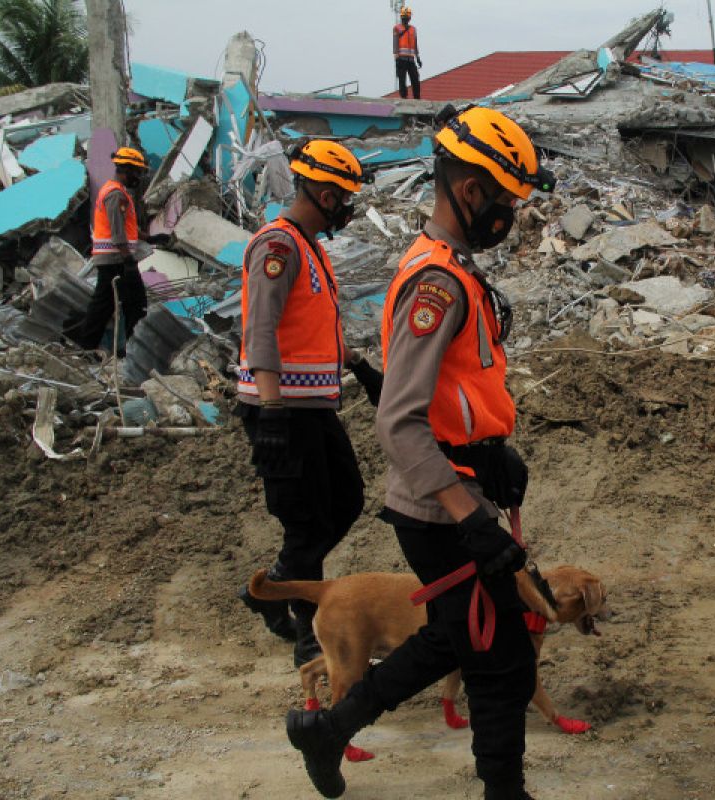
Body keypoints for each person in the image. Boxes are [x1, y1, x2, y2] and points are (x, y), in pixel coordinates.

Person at [284, 105, 556, 800]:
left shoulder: (455, 271)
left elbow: (452, 396)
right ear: (471, 192)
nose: (510, 216)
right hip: (439, 509)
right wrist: (471, 513)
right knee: (499, 664)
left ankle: (331, 727)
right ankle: (506, 792)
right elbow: (399, 422)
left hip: (456, 487)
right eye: (505, 201)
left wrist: (493, 453)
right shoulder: (435, 283)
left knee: (452, 636)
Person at [235, 139, 383, 667]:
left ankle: (272, 586)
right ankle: (307, 639)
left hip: (315, 407)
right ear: (322, 193)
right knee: (304, 523)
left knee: (344, 501)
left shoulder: (311, 246)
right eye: (343, 198)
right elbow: (261, 331)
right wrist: (271, 411)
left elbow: (314, 327)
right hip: (283, 411)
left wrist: (361, 369)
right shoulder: (276, 247)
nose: (347, 208)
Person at [67, 147, 150, 351]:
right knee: (131, 304)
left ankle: (91, 346)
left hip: (114, 260)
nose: (138, 177)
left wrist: (153, 238)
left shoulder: (117, 192)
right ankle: (128, 347)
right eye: (136, 172)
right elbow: (118, 232)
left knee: (112, 305)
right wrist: (128, 260)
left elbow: (129, 228)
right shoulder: (115, 195)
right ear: (126, 170)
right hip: (115, 261)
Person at [393, 6, 422, 99]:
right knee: (402, 79)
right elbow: (395, 44)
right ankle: (404, 97)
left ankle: (417, 97)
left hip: (411, 59)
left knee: (415, 79)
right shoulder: (397, 28)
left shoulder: (413, 29)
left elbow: (415, 44)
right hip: (401, 59)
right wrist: (396, 57)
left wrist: (418, 58)